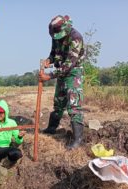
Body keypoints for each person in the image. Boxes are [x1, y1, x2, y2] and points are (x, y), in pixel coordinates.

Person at [39, 15, 85, 150]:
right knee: (58, 102)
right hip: (61, 72)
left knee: (73, 105)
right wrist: (49, 60)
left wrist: (49, 76)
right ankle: (51, 128)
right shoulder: (55, 36)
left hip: (73, 73)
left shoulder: (75, 38)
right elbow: (54, 53)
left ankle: (77, 140)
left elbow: (69, 65)